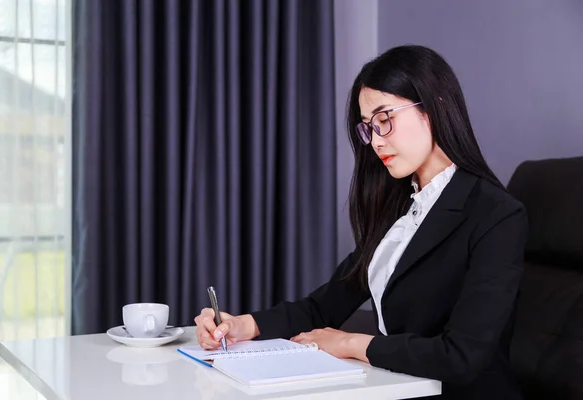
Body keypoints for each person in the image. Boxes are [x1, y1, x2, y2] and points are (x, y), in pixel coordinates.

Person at [194, 45, 528, 399]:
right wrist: (242, 325)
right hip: (393, 387)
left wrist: (352, 343)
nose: (376, 141)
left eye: (385, 119)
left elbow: (462, 357)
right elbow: (324, 305)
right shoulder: (400, 207)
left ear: (435, 106)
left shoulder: (497, 215)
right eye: (369, 127)